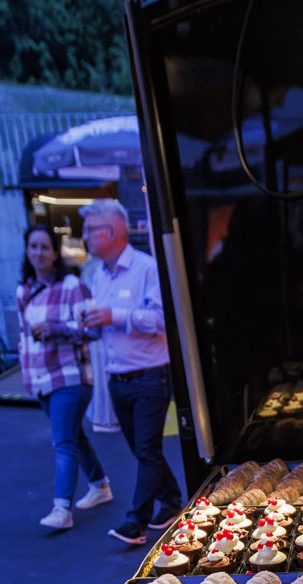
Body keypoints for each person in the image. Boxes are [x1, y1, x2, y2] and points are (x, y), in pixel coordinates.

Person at [79, 199, 181, 546]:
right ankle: (172, 500)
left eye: (90, 229)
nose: (84, 236)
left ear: (111, 231)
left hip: (150, 375)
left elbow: (161, 320)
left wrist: (114, 315)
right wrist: (92, 326)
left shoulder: (146, 268)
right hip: (118, 378)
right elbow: (105, 324)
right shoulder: (98, 274)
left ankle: (136, 521)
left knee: (147, 449)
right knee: (142, 450)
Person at [19, 223, 110, 533]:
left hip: (71, 377)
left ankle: (62, 509)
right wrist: (28, 378)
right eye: (33, 246)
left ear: (55, 252)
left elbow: (93, 329)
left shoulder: (73, 286)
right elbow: (24, 340)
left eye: (45, 247)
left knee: (63, 442)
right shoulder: (24, 290)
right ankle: (100, 485)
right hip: (41, 377)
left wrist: (55, 328)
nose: (38, 253)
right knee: (73, 435)